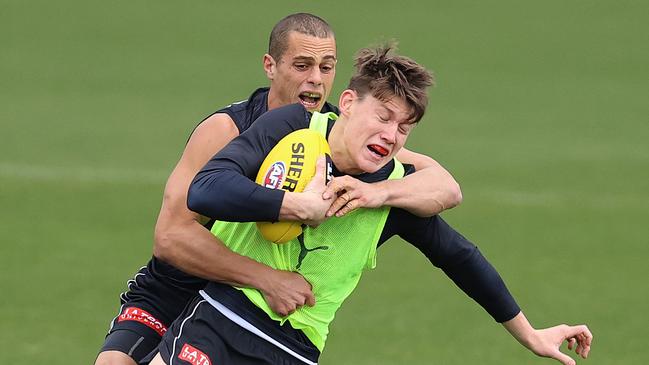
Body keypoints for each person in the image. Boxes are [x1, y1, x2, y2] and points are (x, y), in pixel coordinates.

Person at [149, 45, 592, 365]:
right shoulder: (292, 128)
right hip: (219, 317)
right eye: (383, 116)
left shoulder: (393, 193)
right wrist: (293, 205)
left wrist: (529, 333)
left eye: (404, 128)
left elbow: (459, 255)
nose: (391, 135)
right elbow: (206, 190)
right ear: (347, 103)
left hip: (294, 351)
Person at [95, 13, 462, 365]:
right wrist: (267, 278)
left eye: (327, 67)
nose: (316, 80)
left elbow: (436, 178)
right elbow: (171, 238)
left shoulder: (340, 133)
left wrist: (382, 193)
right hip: (176, 288)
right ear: (270, 66)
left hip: (240, 308)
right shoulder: (227, 131)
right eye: (302, 66)